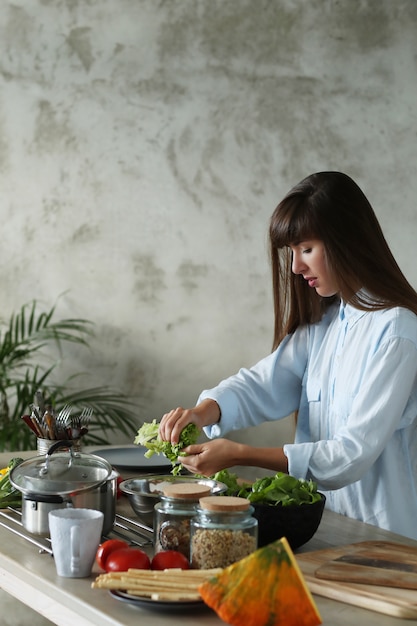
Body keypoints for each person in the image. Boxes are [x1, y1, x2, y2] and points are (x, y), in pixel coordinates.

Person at [158, 171, 417, 540]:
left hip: (386, 538)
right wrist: (203, 412)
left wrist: (241, 453)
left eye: (306, 249)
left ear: (346, 241)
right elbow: (263, 384)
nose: (296, 267)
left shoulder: (396, 332)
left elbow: (350, 455)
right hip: (327, 528)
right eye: (292, 252)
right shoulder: (326, 322)